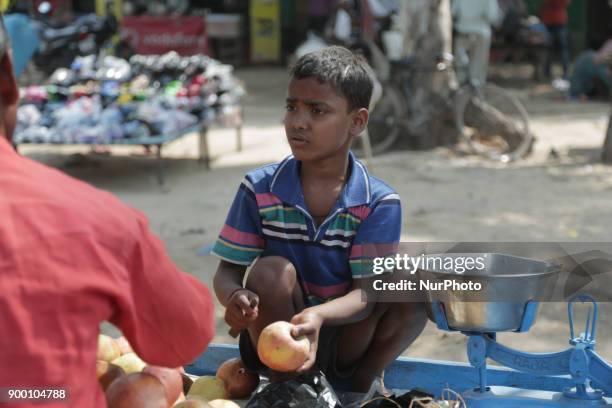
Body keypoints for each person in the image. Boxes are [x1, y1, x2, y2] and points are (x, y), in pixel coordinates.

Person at [0, 15, 215, 408]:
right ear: (10, 85)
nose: (298, 123)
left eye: (315, 111)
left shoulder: (367, 202)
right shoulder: (93, 219)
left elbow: (371, 288)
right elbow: (186, 332)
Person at [212, 46, 426, 393]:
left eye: (317, 110)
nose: (298, 121)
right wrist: (234, 295)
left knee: (407, 283)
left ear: (357, 121)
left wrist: (320, 316)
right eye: (292, 106)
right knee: (270, 271)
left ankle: (358, 388)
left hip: (346, 341)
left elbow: (365, 296)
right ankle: (287, 389)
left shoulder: (378, 202)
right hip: (274, 339)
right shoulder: (259, 189)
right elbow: (228, 271)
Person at [452, 0, 502, 85]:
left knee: (460, 68)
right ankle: (476, 93)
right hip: (481, 32)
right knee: (477, 69)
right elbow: (493, 16)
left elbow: (453, 12)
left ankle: (462, 90)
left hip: (463, 31)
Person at [540, 0, 571, 80]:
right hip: (548, 21)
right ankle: (546, 72)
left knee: (563, 48)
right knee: (548, 47)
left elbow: (566, 2)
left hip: (560, 21)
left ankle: (566, 72)